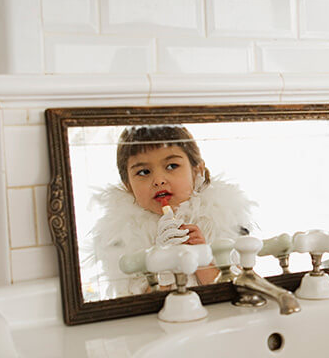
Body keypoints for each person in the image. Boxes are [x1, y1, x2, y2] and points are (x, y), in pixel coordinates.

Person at [88, 125, 255, 298]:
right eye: (143, 172)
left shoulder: (225, 217)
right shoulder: (120, 237)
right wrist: (162, 263)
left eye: (171, 166)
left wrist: (200, 257)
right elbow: (136, 307)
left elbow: (241, 292)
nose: (158, 180)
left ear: (196, 170)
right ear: (128, 185)